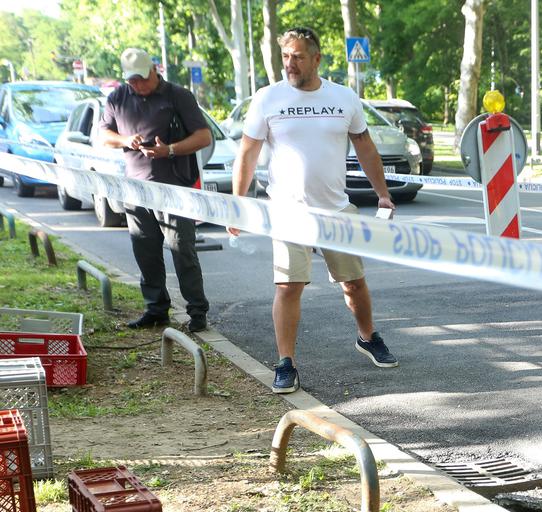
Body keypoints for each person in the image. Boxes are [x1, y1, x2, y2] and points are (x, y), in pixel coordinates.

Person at [228, 25, 399, 395]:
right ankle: (285, 362)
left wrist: (382, 194)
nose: (290, 64)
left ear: (317, 59)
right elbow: (248, 153)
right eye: (285, 56)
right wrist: (237, 204)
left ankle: (367, 337)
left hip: (337, 210)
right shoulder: (267, 98)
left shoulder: (344, 97)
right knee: (288, 287)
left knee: (354, 283)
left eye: (298, 57)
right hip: (288, 211)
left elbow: (365, 147)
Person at [99, 48, 211, 332]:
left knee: (181, 249)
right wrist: (126, 140)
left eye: (140, 79)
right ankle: (156, 308)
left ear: (153, 71)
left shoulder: (178, 96)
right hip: (136, 188)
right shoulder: (117, 98)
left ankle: (197, 311)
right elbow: (104, 135)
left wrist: (169, 150)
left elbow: (203, 136)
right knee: (145, 251)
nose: (136, 85)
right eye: (131, 80)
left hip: (173, 188)